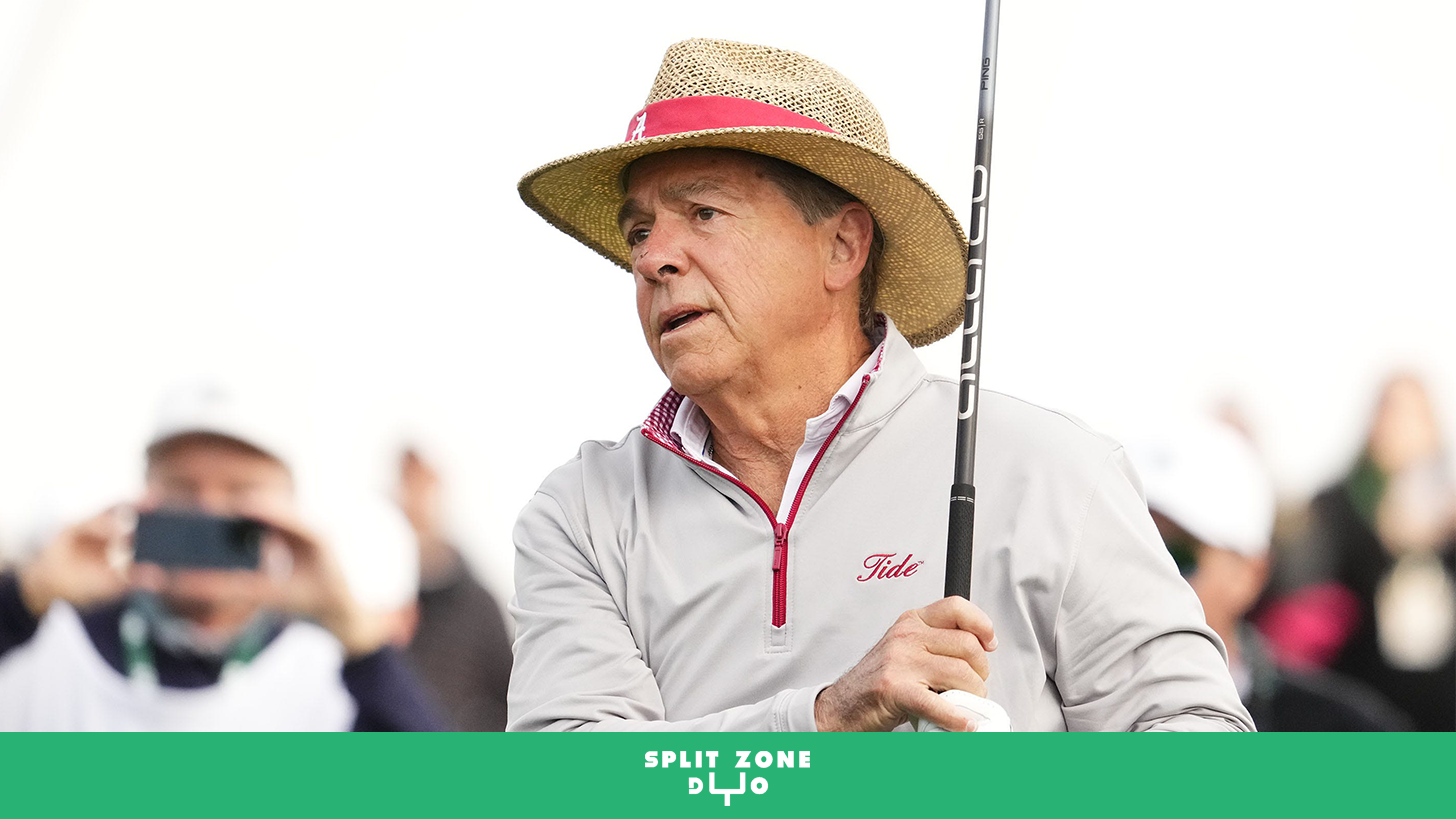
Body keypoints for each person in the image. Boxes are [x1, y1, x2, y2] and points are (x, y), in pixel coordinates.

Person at [506, 39, 1252, 732]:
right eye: (639, 231)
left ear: (843, 245)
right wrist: (824, 718)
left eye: (704, 212)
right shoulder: (583, 513)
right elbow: (568, 787)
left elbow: (1203, 745)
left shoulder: (1052, 472)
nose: (651, 259)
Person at [0, 384, 443, 730]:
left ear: (288, 513)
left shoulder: (327, 685)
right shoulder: (51, 650)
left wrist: (358, 639)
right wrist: (23, 597)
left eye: (241, 491)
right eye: (181, 487)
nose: (208, 510)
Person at [1128, 418, 1411, 731]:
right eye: (1123, 552)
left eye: (1177, 556)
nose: (1141, 577)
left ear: (1250, 575)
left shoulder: (1349, 731)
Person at [1271, 376, 1456, 730]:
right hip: (1360, 700)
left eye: (1412, 416)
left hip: (1440, 705)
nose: (1400, 428)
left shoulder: (1448, 514)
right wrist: (1381, 541)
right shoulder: (1337, 506)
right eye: (1391, 412)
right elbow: (1312, 594)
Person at [396, 447, 514, 731]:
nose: (414, 503)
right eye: (406, 487)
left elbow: (513, 698)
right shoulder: (377, 606)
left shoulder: (478, 606)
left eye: (422, 488)